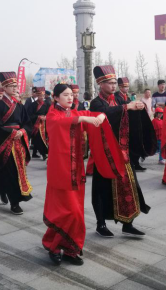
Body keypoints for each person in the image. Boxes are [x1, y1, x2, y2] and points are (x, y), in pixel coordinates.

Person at [43, 84, 124, 266]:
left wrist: (101, 116)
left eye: (71, 95)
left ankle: (72, 248)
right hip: (60, 172)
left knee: (76, 211)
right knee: (65, 212)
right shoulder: (53, 115)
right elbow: (59, 124)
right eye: (65, 95)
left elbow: (95, 116)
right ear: (55, 97)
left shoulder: (75, 113)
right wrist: (82, 120)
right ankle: (53, 246)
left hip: (76, 170)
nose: (70, 98)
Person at [89, 65, 156, 238]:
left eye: (114, 83)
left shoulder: (118, 101)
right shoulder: (97, 102)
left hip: (121, 152)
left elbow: (124, 112)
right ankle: (100, 223)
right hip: (104, 153)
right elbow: (104, 115)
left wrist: (137, 108)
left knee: (129, 185)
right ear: (100, 84)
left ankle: (128, 223)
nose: (113, 86)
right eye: (109, 83)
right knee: (101, 189)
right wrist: (127, 108)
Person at [0, 71, 32, 215]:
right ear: (5, 87)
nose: (15, 88)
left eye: (16, 86)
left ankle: (2, 190)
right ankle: (15, 202)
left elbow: (27, 123)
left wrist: (23, 131)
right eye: (12, 86)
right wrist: (12, 133)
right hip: (4, 142)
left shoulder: (19, 105)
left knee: (14, 170)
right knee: (8, 170)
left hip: (18, 142)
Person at [27, 87, 50, 160]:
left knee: (43, 139)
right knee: (38, 139)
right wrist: (38, 117)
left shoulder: (46, 104)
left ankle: (41, 153)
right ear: (37, 95)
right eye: (40, 96)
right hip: (36, 125)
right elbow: (29, 115)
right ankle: (43, 153)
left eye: (43, 96)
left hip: (44, 124)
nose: (42, 97)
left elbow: (49, 113)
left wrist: (46, 117)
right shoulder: (32, 105)